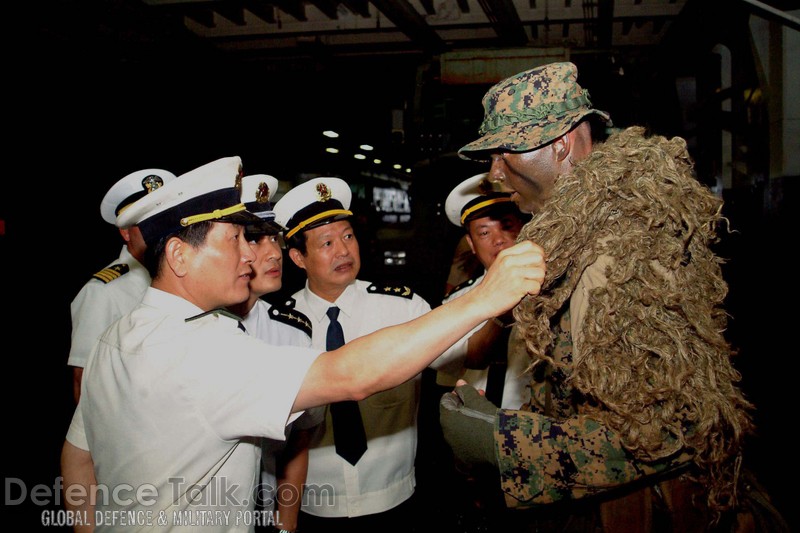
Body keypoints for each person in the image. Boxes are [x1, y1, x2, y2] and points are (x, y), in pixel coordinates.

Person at [60, 155, 546, 533]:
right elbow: (348, 376)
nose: (253, 255)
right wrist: (484, 298)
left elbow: (78, 455)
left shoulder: (118, 336)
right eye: (235, 240)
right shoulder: (207, 351)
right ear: (180, 255)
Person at [439, 61, 756, 532]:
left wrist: (504, 443)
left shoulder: (620, 246)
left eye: (506, 153)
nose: (495, 173)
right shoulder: (585, 230)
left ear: (561, 143)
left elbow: (675, 430)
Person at [272, 177, 461, 532]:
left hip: (395, 497)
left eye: (348, 236)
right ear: (298, 257)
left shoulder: (401, 307)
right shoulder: (277, 326)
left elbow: (460, 353)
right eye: (326, 243)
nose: (343, 251)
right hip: (315, 505)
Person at [228, 174, 322, 533]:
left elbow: (300, 437)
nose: (273, 253)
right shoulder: (189, 329)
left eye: (275, 238)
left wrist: (287, 523)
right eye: (253, 238)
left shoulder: (292, 330)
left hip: (265, 514)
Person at [67, 167, 175, 403]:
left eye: (163, 219)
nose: (159, 230)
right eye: (146, 222)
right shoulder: (103, 292)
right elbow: (83, 383)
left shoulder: (178, 277)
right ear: (126, 232)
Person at [436, 172, 531, 410]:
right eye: (485, 233)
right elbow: (466, 361)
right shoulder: (456, 303)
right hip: (478, 428)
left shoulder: (555, 293)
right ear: (471, 245)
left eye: (506, 226)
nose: (498, 240)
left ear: (522, 227)